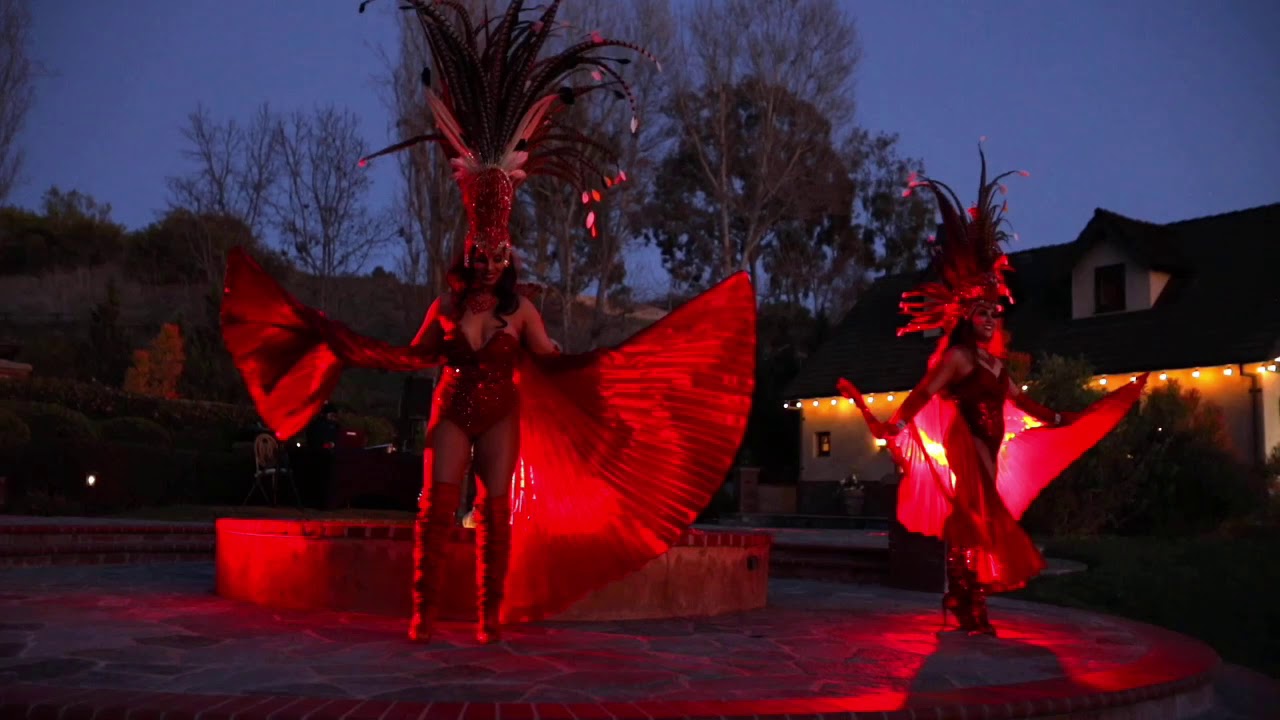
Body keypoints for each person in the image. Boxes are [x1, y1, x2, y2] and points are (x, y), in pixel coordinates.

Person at [220, 0, 757, 645]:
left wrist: (613, 367)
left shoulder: (521, 311)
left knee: (497, 516)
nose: (489, 260)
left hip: (502, 414)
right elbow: (416, 357)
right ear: (470, 249)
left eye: (498, 253)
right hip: (451, 409)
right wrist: (341, 342)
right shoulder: (444, 308)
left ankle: (488, 621)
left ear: (507, 255)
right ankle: (422, 616)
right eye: (481, 251)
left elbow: (552, 361)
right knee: (437, 512)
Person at [837, 146, 1147, 636]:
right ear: (966, 317)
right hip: (965, 440)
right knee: (979, 515)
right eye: (981, 313)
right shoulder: (959, 358)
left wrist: (1061, 419)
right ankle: (966, 596)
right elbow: (925, 391)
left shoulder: (995, 364)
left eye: (993, 314)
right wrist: (896, 422)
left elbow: (1019, 402)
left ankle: (963, 595)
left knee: (978, 517)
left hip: (992, 440)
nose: (988, 320)